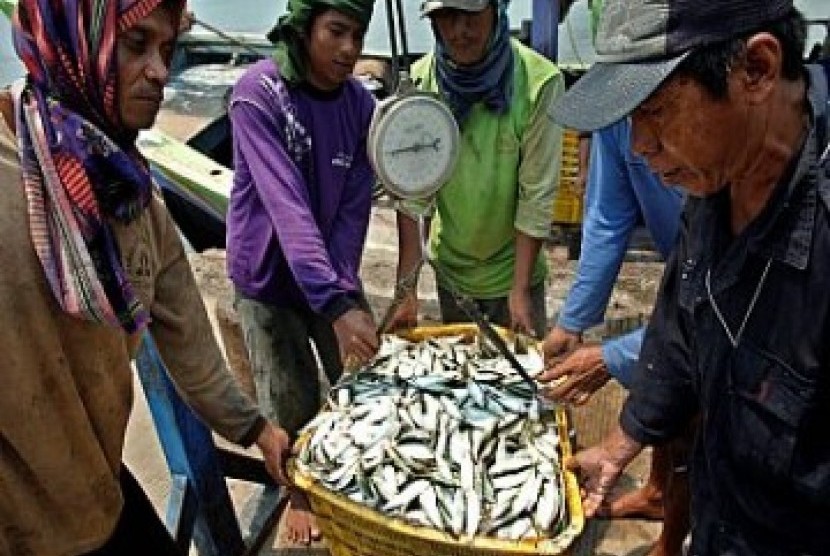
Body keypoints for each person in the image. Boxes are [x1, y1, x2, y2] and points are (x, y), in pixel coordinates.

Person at [0, 1, 293, 555]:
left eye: (167, 50)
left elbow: (192, 349)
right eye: (136, 45)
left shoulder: (135, 198)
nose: (161, 71)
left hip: (95, 495)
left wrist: (258, 431)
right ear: (74, 43)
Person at [550, 0, 830, 554]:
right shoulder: (716, 174)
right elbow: (681, 323)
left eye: (655, 109)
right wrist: (621, 442)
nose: (639, 145)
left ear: (756, 70)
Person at [226, 0, 379, 545]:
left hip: (327, 274)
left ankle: (356, 482)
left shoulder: (361, 105)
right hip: (267, 277)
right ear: (304, 27)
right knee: (288, 397)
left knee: (365, 385)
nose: (349, 49)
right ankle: (298, 494)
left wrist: (341, 291)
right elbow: (285, 206)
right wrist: (333, 305)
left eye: (358, 34)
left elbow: (353, 209)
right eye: (336, 31)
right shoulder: (257, 94)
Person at [541, 119, 689, 556]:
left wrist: (614, 357)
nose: (640, 144)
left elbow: (715, 314)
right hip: (681, 267)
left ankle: (670, 541)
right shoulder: (613, 118)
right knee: (664, 392)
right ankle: (659, 493)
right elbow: (607, 218)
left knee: (694, 408)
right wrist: (574, 322)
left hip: (731, 285)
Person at [385, 0, 564, 339]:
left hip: (516, 273)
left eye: (469, 15)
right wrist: (405, 288)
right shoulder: (421, 83)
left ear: (496, 8)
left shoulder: (539, 83)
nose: (457, 31)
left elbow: (536, 196)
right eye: (444, 17)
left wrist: (520, 289)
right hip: (452, 273)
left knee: (521, 380)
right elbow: (413, 194)